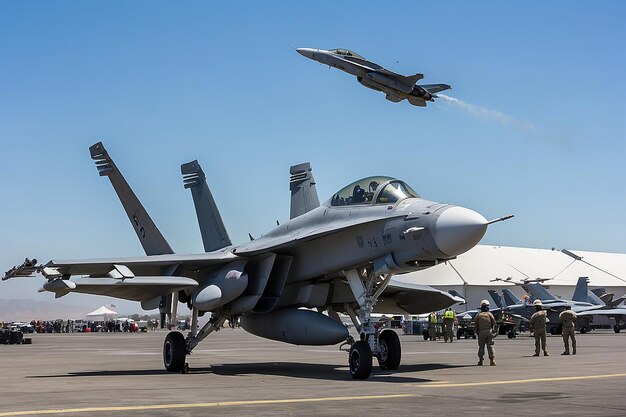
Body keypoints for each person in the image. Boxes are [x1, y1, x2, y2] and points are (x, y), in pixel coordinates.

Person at [473, 300, 497, 366]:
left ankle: (480, 361)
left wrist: (477, 333)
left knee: (481, 347)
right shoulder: (490, 314)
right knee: (490, 346)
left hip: (481, 332)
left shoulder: (478, 315)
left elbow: (476, 325)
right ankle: (492, 361)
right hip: (489, 331)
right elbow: (494, 323)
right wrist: (493, 332)